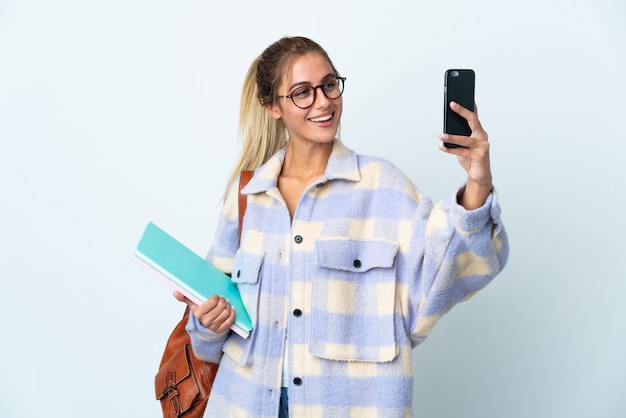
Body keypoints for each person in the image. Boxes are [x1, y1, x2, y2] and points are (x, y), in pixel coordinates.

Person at [174, 36, 509, 417]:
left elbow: (448, 274)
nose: (323, 102)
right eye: (302, 92)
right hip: (244, 404)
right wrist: (208, 323)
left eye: (329, 85)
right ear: (272, 107)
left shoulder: (383, 185)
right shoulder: (248, 196)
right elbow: (205, 339)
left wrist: (478, 184)